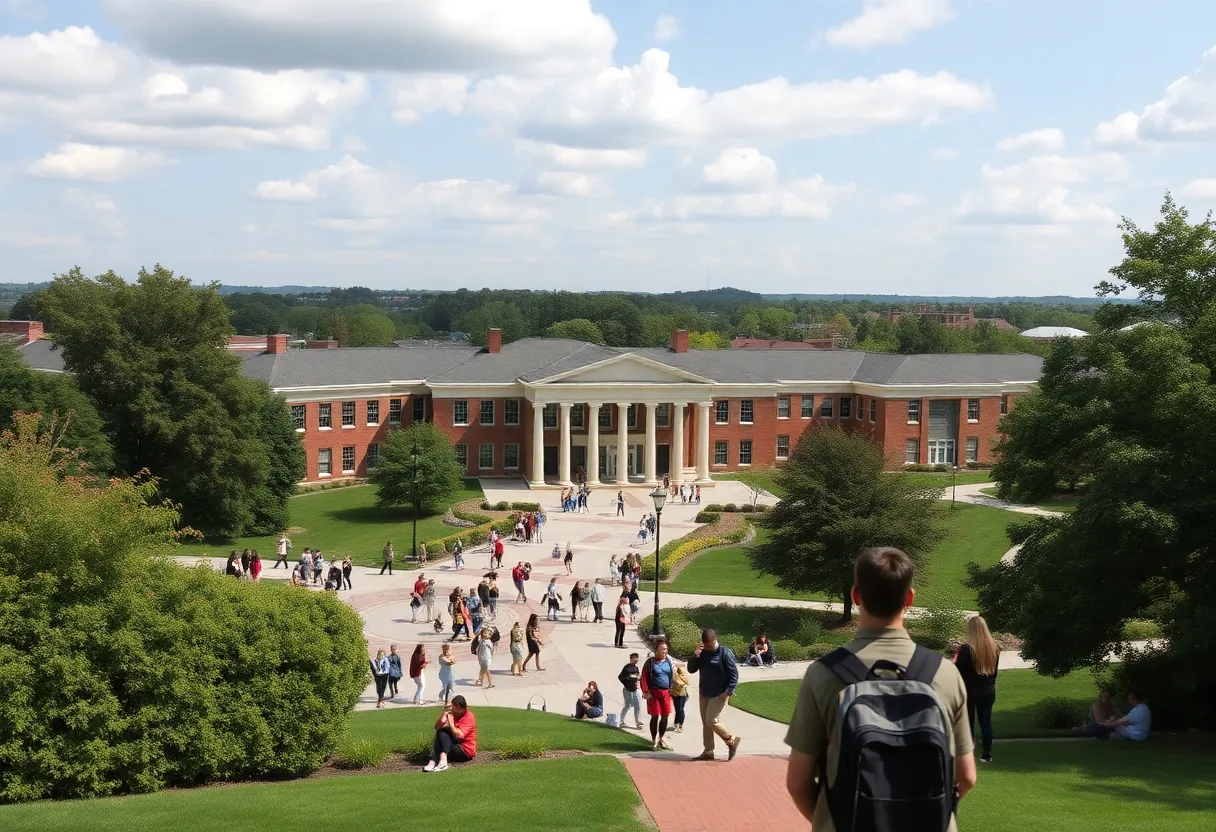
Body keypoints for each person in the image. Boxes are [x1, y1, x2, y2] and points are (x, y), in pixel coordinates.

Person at [783, 547, 976, 830]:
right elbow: (967, 776)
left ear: (856, 595)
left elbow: (798, 783)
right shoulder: (945, 674)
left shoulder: (823, 675)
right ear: (909, 598)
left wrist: (831, 820)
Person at [687, 628, 741, 761]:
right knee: (706, 723)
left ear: (714, 640)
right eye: (705, 644)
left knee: (711, 720)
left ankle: (731, 739)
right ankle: (708, 751)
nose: (707, 647)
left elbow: (734, 674)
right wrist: (696, 655)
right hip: (704, 692)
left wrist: (728, 691)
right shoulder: (703, 652)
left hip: (719, 694)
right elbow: (691, 669)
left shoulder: (724, 653)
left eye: (709, 644)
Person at [954, 615, 1000, 763]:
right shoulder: (994, 648)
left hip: (970, 690)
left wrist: (954, 661)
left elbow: (960, 670)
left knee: (968, 723)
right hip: (987, 689)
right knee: (985, 722)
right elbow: (994, 673)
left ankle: (968, 755)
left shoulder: (967, 649)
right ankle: (987, 754)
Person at [422, 695, 477, 773]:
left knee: (444, 731)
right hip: (454, 745)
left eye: (457, 711)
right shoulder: (451, 713)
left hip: (465, 751)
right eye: (453, 710)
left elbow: (460, 735)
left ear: (463, 709)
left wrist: (451, 722)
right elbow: (436, 728)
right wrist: (444, 716)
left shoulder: (469, 716)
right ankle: (438, 761)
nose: (455, 713)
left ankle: (437, 760)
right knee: (441, 731)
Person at [642, 639, 676, 751]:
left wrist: (671, 688)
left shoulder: (668, 661)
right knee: (655, 715)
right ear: (656, 650)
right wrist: (646, 691)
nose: (665, 651)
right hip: (653, 693)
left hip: (665, 693)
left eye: (666, 649)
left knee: (665, 715)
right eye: (663, 649)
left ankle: (661, 739)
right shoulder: (650, 662)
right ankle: (653, 741)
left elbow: (671, 676)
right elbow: (643, 678)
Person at [619, 653, 644, 730]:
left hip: (635, 690)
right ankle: (621, 721)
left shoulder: (636, 668)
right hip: (627, 690)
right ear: (631, 659)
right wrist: (628, 680)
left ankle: (638, 722)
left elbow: (637, 677)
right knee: (627, 706)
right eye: (634, 658)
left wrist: (638, 679)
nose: (636, 659)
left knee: (637, 706)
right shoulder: (627, 668)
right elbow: (620, 677)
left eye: (637, 658)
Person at [671, 665, 691, 733]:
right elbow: (673, 682)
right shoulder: (675, 676)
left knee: (680, 709)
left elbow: (682, 683)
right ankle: (676, 723)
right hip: (675, 694)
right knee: (677, 709)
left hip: (682, 695)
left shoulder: (684, 677)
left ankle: (680, 724)